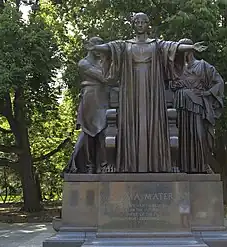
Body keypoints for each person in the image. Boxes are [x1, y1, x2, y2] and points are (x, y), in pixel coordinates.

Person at [88, 12, 207, 173]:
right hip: (131, 88)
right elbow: (110, 48)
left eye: (143, 22)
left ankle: (157, 163)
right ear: (133, 24)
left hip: (152, 89)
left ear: (147, 25)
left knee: (153, 122)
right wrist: (95, 47)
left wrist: (191, 47)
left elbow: (173, 47)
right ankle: (130, 163)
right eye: (137, 22)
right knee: (131, 122)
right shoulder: (125, 45)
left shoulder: (156, 44)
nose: (140, 24)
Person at [171, 38, 224, 173]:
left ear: (189, 51)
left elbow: (219, 82)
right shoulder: (176, 69)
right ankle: (181, 166)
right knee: (182, 137)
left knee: (199, 135)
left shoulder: (203, 66)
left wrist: (207, 93)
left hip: (197, 106)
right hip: (180, 106)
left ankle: (202, 165)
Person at [63, 37, 109, 174]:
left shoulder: (104, 62)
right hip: (90, 97)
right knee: (89, 131)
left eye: (101, 45)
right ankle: (89, 166)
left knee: (104, 131)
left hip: (103, 98)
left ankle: (104, 164)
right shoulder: (83, 63)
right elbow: (104, 77)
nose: (99, 48)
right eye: (96, 45)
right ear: (89, 47)